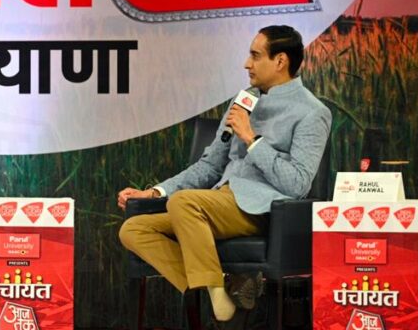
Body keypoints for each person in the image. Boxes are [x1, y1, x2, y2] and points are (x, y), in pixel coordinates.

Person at [117, 25, 331, 325]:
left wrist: (252, 139)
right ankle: (223, 287)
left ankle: (218, 299)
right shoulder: (243, 100)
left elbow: (297, 184)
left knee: (184, 203)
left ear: (280, 61)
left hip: (259, 210)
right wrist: (155, 192)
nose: (246, 64)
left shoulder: (312, 112)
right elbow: (209, 166)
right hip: (216, 203)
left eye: (255, 56)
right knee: (133, 229)